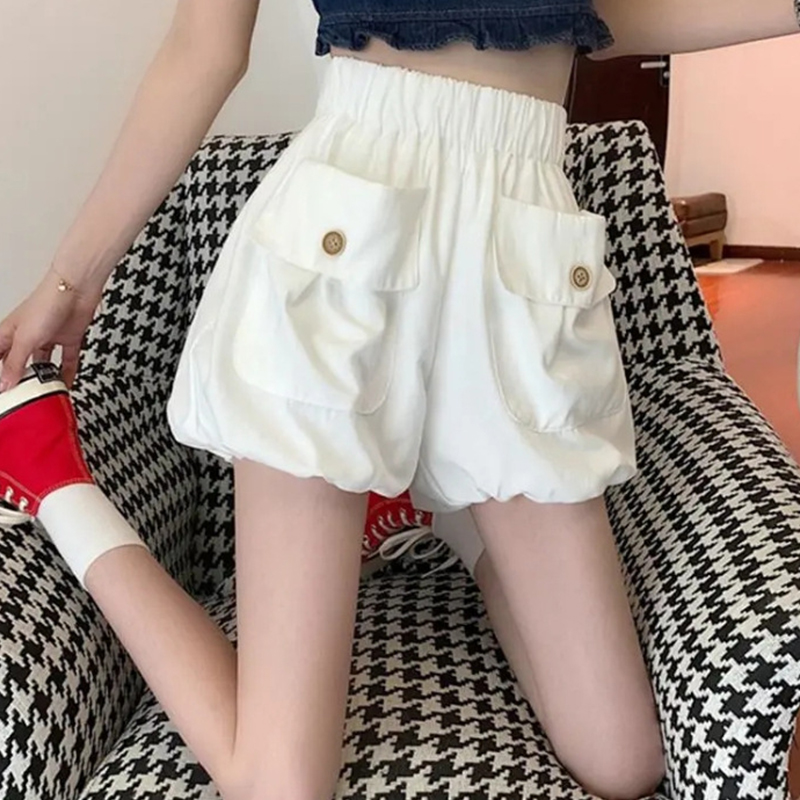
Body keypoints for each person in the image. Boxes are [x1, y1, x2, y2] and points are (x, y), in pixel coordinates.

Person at [1, 3, 799, 799]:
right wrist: (71, 282)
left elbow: (591, 13)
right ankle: (53, 475)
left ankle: (427, 497)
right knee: (281, 786)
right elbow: (203, 47)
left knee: (622, 760)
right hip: (347, 236)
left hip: (527, 241)